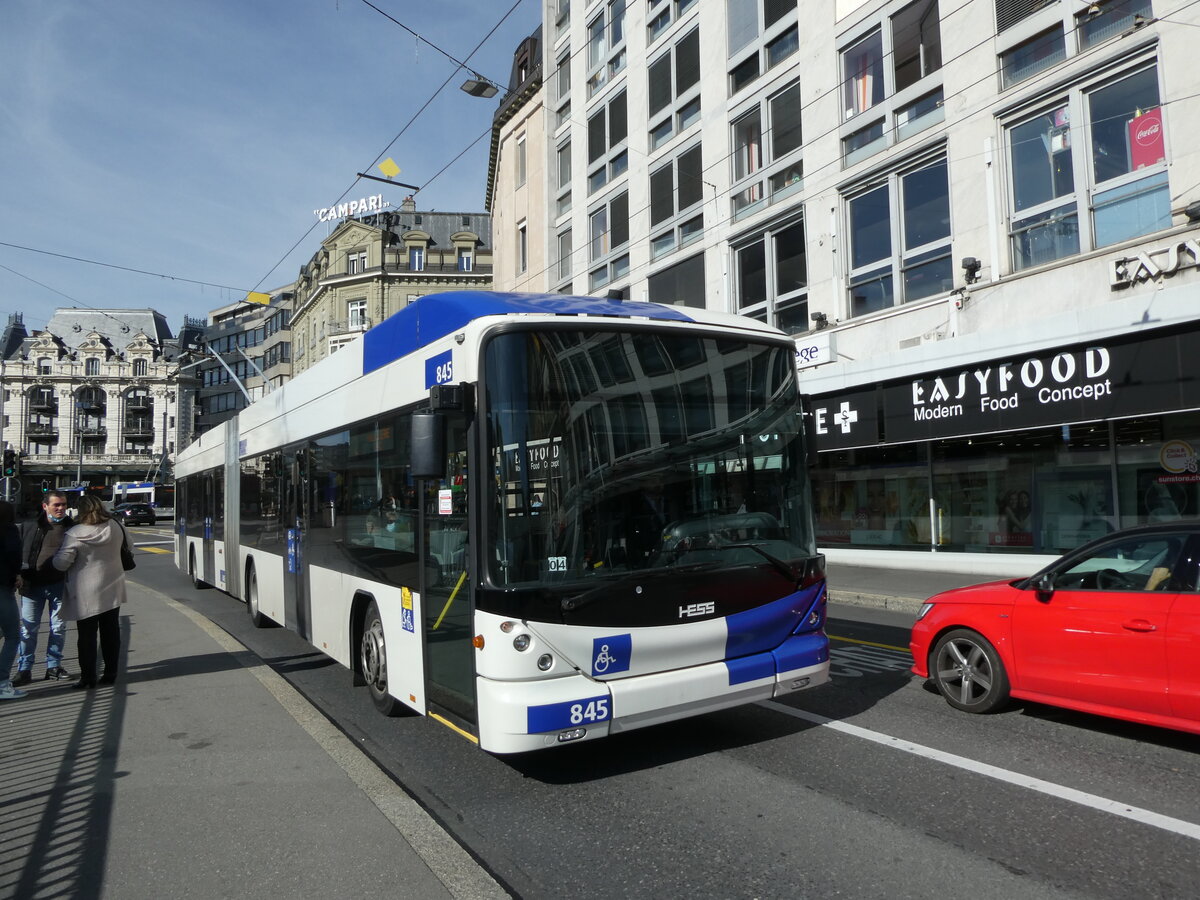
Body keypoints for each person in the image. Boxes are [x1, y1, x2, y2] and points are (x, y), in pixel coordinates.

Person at [52, 494, 131, 689]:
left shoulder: (75, 533)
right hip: (112, 586)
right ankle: (111, 673)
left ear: (81, 510)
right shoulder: (115, 526)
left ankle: (88, 678)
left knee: (86, 636)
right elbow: (129, 546)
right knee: (111, 632)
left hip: (85, 591)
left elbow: (61, 564)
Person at [13, 491, 74, 685]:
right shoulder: (30, 526)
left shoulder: (72, 528)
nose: (61, 508)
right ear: (45, 506)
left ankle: (53, 666)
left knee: (58, 627)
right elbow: (17, 552)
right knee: (29, 629)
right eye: (56, 505)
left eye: (63, 504)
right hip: (32, 585)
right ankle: (24, 669)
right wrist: (18, 575)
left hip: (59, 584)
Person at [0, 501, 27, 700]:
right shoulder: (9, 530)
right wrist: (17, 573)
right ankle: (2, 683)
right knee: (13, 636)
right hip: (2, 586)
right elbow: (13, 554)